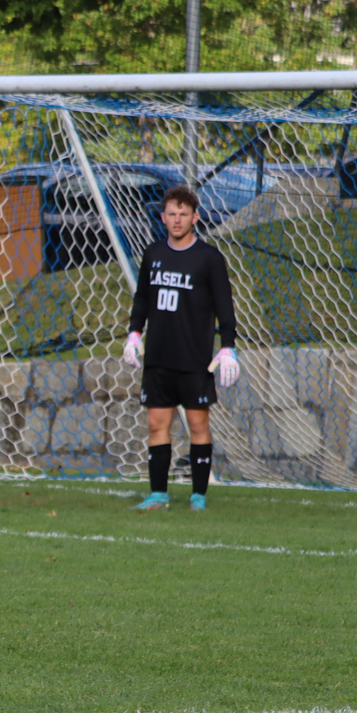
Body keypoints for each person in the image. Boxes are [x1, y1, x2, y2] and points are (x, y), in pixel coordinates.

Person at [123, 185, 240, 511]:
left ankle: (198, 496)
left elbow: (224, 306)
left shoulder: (209, 258)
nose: (177, 220)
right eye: (171, 214)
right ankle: (158, 495)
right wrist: (134, 333)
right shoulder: (153, 254)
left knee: (198, 426)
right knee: (157, 426)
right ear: (163, 217)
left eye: (183, 214)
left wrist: (228, 346)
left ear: (195, 217)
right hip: (159, 358)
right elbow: (143, 298)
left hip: (195, 360)